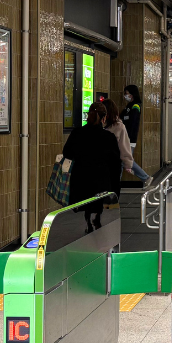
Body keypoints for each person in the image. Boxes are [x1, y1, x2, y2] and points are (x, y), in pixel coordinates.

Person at [62, 101, 121, 233]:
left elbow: (67, 153)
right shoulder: (108, 137)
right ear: (104, 118)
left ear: (88, 115)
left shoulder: (77, 133)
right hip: (102, 178)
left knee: (86, 200)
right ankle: (97, 218)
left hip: (81, 177)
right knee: (98, 199)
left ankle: (88, 221)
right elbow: (115, 162)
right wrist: (116, 188)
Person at [104, 98, 150, 187]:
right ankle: (145, 177)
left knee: (113, 187)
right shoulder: (98, 126)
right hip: (105, 164)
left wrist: (128, 164)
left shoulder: (119, 126)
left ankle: (145, 177)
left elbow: (124, 147)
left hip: (114, 162)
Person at [122, 84, 143, 152]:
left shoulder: (135, 106)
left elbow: (132, 123)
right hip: (125, 137)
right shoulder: (129, 105)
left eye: (126, 93)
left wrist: (127, 138)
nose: (125, 96)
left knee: (127, 161)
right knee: (127, 161)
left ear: (132, 94)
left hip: (130, 139)